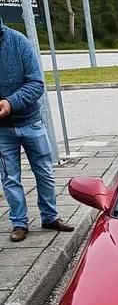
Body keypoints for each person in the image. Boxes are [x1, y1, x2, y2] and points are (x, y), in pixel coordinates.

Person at [0, 17, 73, 242]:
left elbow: (36, 84)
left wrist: (10, 102)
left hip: (31, 122)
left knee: (45, 172)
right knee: (9, 178)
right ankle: (19, 223)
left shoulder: (18, 42)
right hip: (2, 130)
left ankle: (50, 217)